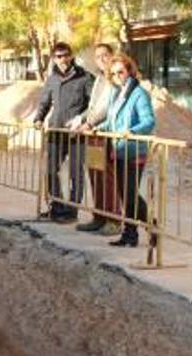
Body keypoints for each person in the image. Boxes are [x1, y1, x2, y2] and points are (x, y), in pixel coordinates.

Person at [94, 53, 155, 247]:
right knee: (125, 195)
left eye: (121, 72)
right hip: (118, 149)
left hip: (134, 151)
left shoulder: (139, 93)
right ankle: (131, 234)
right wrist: (99, 128)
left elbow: (149, 121)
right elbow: (112, 121)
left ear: (130, 71)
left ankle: (152, 228)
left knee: (130, 195)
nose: (118, 76)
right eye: (113, 73)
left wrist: (131, 131)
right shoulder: (116, 93)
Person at [33, 41, 95, 223]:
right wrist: (38, 118)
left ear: (71, 55)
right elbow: (44, 101)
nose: (63, 59)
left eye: (66, 55)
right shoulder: (52, 79)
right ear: (54, 58)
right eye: (59, 56)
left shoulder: (85, 77)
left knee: (76, 173)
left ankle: (72, 211)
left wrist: (82, 120)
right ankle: (56, 206)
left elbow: (92, 106)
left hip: (76, 133)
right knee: (51, 170)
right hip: (55, 131)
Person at [71, 43, 122, 236]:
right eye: (98, 56)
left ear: (112, 56)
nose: (101, 59)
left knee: (108, 178)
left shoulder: (116, 78)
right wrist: (81, 119)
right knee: (95, 176)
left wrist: (89, 124)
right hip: (93, 135)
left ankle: (114, 220)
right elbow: (93, 106)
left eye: (105, 55)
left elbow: (107, 109)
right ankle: (99, 216)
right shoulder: (99, 79)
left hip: (105, 133)